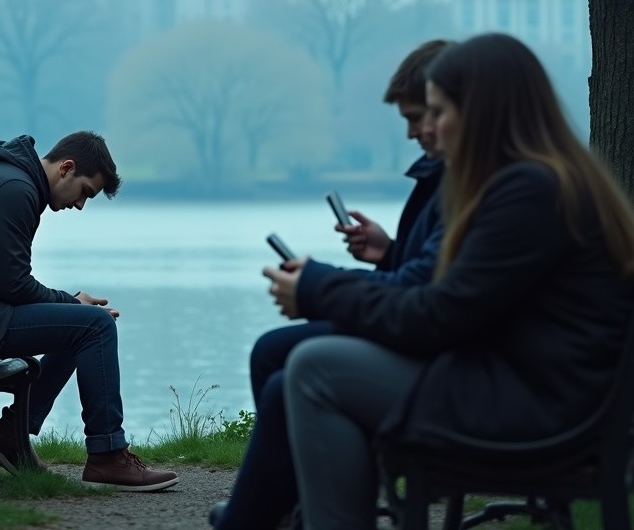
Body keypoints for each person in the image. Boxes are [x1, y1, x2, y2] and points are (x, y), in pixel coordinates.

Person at [271, 33, 634, 530]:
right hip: (537, 386)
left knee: (316, 365)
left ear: (481, 111)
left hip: (537, 410)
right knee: (315, 360)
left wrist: (316, 287)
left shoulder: (527, 192)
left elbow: (440, 316)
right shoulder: (544, 179)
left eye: (438, 112)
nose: (431, 131)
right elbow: (455, 301)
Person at [211, 39, 450, 530]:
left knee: (294, 366)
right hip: (453, 350)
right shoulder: (462, 177)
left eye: (425, 114)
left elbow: (430, 295)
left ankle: (274, 509)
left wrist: (318, 285)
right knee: (276, 353)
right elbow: (435, 272)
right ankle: (292, 499)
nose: (413, 132)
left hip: (456, 366)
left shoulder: (487, 184)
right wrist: (388, 253)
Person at [0, 131, 179, 492]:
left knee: (83, 324)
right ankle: (108, 455)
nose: (81, 205)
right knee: (94, 326)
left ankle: (11, 434)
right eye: (85, 192)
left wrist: (70, 304)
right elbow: (15, 286)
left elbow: (10, 282)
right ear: (66, 168)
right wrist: (71, 302)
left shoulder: (13, 182)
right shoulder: (14, 189)